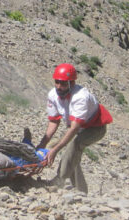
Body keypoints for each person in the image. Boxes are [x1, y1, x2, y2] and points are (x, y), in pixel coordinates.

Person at [37, 63, 113, 193]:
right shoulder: (53, 95)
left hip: (95, 127)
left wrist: (55, 150)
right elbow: (54, 122)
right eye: (57, 82)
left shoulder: (80, 97)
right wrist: (42, 144)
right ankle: (81, 191)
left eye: (63, 83)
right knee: (73, 157)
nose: (59, 87)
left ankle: (59, 180)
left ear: (72, 83)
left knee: (75, 145)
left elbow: (74, 128)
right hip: (79, 127)